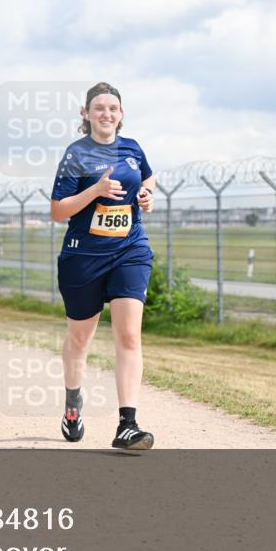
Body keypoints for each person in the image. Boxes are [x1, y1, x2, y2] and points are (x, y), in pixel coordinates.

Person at [50, 82, 156, 450]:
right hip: (83, 256)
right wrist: (95, 191)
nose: (106, 114)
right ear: (86, 114)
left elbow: (148, 176)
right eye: (99, 108)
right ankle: (73, 402)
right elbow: (57, 210)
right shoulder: (76, 154)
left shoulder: (132, 148)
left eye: (113, 108)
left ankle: (127, 424)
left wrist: (146, 194)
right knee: (80, 339)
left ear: (121, 114)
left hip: (130, 249)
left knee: (129, 336)